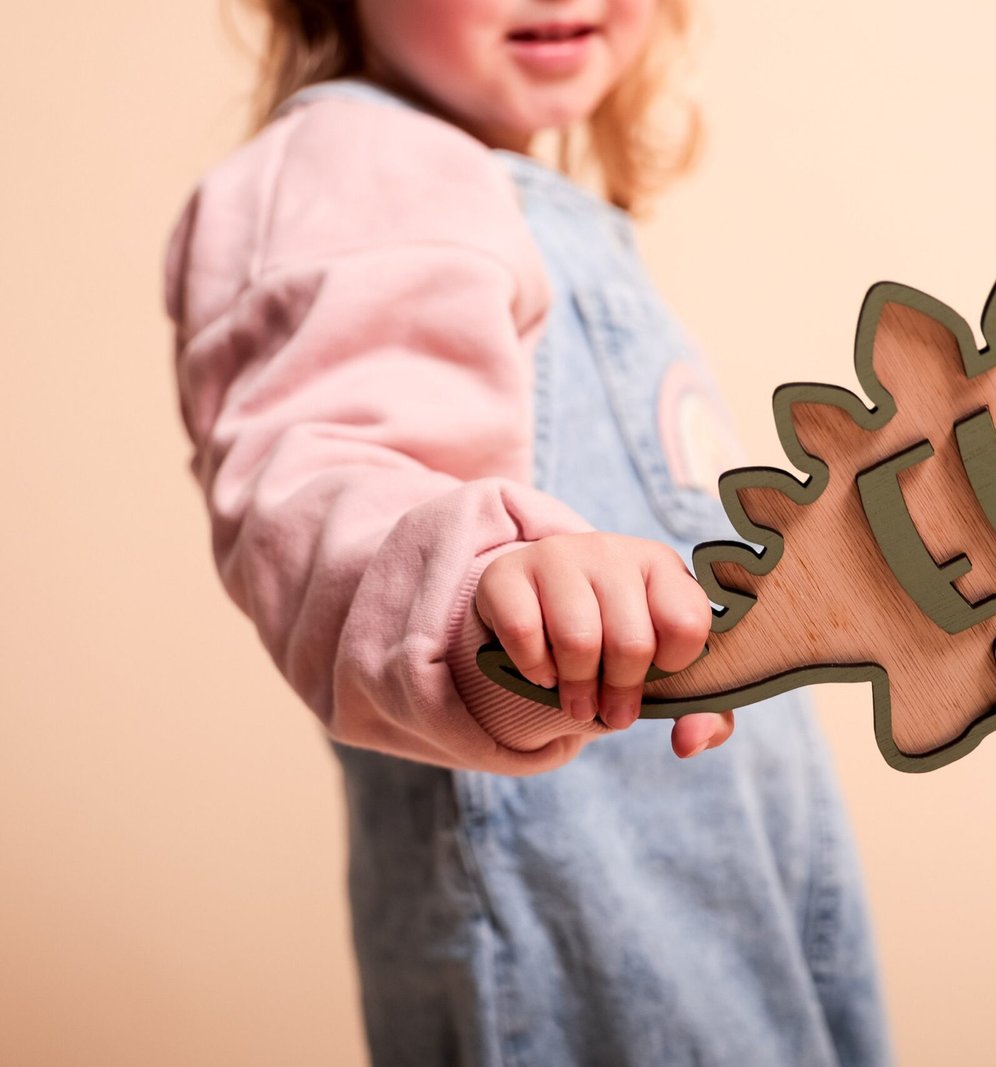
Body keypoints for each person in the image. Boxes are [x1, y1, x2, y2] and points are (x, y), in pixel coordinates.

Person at [162, 1, 895, 1063]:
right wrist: (484, 588)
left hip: (732, 914)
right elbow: (323, 481)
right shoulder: (362, 169)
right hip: (580, 947)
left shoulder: (517, 203)